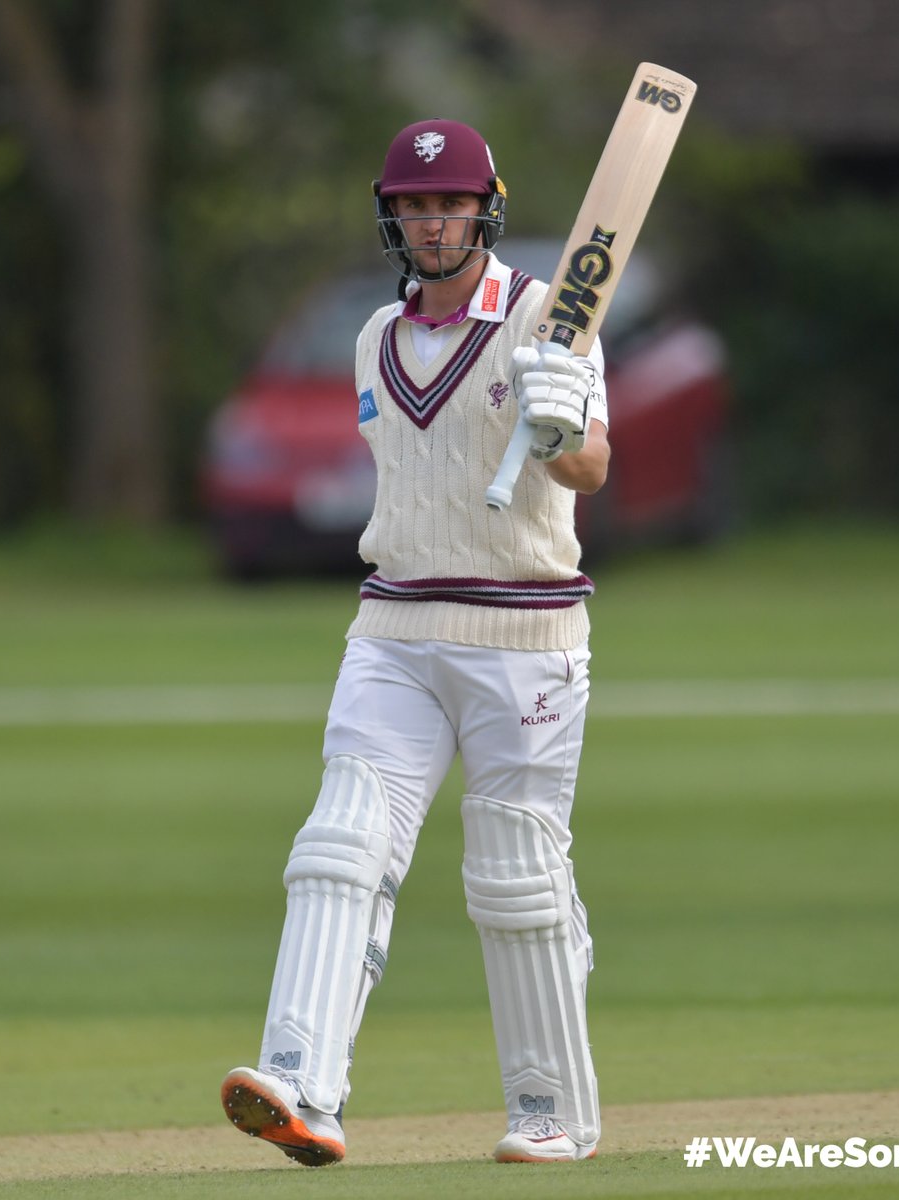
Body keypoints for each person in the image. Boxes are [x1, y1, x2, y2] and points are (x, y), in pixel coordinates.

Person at [221, 118, 610, 1167]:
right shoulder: (372, 337)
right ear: (391, 214)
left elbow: (590, 472)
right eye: (415, 205)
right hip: (393, 625)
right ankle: (302, 1087)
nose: (433, 221)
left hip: (523, 634)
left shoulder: (550, 319)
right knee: (340, 844)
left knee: (516, 873)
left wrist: (566, 421)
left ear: (485, 207)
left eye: (450, 204)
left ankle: (550, 1109)